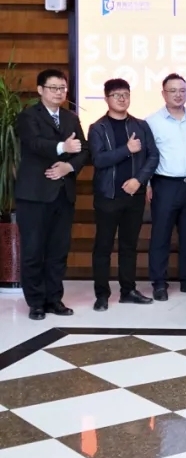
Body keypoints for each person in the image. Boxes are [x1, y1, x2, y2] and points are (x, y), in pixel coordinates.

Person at [15, 69, 89, 320]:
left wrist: (69, 167)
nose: (59, 92)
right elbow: (34, 143)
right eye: (53, 88)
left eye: (62, 88)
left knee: (58, 251)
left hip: (63, 194)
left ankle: (54, 299)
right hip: (34, 195)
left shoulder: (70, 117)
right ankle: (36, 302)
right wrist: (62, 147)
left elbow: (84, 150)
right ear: (40, 90)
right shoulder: (28, 116)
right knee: (33, 251)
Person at [87, 78, 158, 311]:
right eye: (116, 95)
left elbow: (153, 156)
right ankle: (102, 295)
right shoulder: (98, 128)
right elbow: (98, 160)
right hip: (107, 196)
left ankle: (128, 290)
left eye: (126, 94)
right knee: (103, 247)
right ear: (106, 98)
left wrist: (139, 180)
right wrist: (126, 150)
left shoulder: (141, 125)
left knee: (129, 246)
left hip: (134, 196)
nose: (122, 98)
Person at [146, 73, 186, 301]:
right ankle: (159, 283)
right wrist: (148, 183)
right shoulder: (152, 122)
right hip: (164, 184)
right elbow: (146, 156)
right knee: (161, 236)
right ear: (163, 94)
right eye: (172, 91)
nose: (178, 95)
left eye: (182, 90)